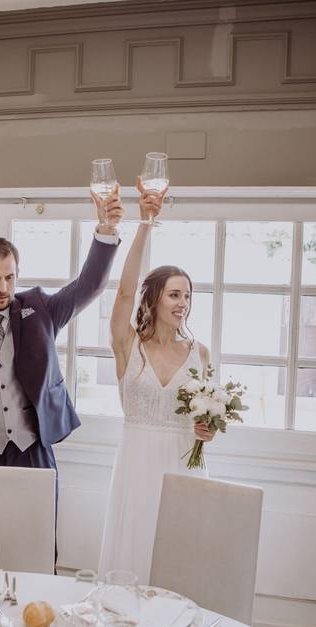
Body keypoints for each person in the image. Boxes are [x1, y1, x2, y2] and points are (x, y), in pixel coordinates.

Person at [0, 191, 124, 503]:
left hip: (33, 451)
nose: (4, 288)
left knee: (39, 542)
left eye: (10, 277)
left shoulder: (40, 311)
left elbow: (89, 285)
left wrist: (106, 231)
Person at [96, 179, 215, 583]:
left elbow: (207, 422)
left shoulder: (200, 353)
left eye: (187, 295)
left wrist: (206, 431)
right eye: (173, 294)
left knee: (180, 561)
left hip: (183, 465)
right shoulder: (128, 344)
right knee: (133, 559)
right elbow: (125, 291)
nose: (182, 303)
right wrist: (146, 222)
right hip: (137, 466)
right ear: (155, 298)